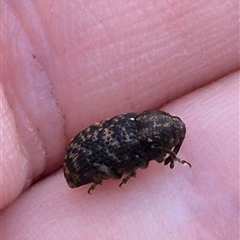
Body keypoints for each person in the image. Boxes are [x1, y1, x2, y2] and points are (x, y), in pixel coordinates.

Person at [1, 1, 239, 239]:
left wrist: (172, 154)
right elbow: (146, 157)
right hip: (79, 167)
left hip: (82, 149)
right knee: (125, 163)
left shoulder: (135, 124)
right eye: (171, 144)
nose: (170, 150)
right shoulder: (137, 143)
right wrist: (167, 156)